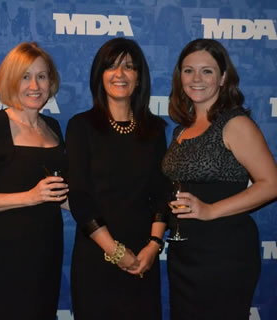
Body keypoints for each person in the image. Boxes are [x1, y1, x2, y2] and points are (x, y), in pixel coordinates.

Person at [162, 38, 277, 320]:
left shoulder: (235, 123)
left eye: (207, 71)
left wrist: (210, 210)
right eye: (188, 71)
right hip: (185, 253)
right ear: (180, 77)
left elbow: (271, 183)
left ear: (223, 77)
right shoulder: (181, 130)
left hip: (223, 254)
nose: (196, 79)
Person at [0, 42, 69, 320]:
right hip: (5, 255)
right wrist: (30, 196)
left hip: (46, 251)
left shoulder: (53, 127)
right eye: (25, 76)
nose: (35, 85)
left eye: (42, 76)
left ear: (51, 81)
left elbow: (60, 195)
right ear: (11, 81)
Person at [65, 37, 167, 320]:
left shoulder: (155, 129)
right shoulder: (81, 127)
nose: (120, 74)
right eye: (111, 66)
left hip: (144, 256)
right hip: (96, 254)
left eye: (129, 67)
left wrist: (153, 246)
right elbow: (80, 196)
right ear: (100, 75)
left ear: (139, 78)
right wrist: (115, 251)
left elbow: (162, 192)